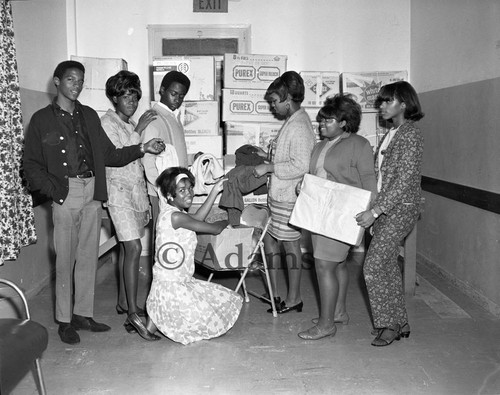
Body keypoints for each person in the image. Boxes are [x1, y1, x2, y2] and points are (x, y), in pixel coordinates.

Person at [23, 60, 165, 345]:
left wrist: (141, 148)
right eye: (71, 80)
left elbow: (110, 155)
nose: (76, 85)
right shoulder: (41, 119)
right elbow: (31, 165)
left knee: (88, 256)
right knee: (66, 259)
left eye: (80, 80)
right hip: (65, 192)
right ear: (57, 81)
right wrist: (56, 191)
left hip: (92, 190)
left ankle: (82, 314)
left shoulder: (88, 115)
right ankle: (64, 320)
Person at [297, 94, 377, 340]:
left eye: (328, 120)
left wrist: (371, 212)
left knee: (324, 266)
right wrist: (304, 186)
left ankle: (325, 324)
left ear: (344, 122)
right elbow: (317, 175)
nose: (322, 125)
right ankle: (339, 312)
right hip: (318, 213)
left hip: (342, 215)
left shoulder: (360, 144)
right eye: (321, 120)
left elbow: (370, 183)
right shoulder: (321, 145)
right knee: (339, 264)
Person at [355, 81, 424, 347]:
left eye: (387, 101)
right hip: (387, 207)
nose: (381, 106)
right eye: (381, 101)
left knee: (372, 267)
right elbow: (383, 177)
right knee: (387, 265)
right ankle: (401, 321)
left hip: (401, 208)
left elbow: (404, 180)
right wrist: (375, 207)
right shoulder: (393, 132)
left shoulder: (410, 134)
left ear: (403, 104)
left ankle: (389, 324)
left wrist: (375, 211)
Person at [145, 167, 243, 345]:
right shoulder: (175, 217)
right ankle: (153, 322)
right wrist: (230, 218)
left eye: (190, 188)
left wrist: (214, 191)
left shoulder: (174, 213)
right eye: (181, 191)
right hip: (172, 285)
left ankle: (151, 323)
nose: (189, 193)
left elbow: (198, 217)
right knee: (217, 313)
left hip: (171, 281)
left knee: (220, 301)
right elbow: (213, 228)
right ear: (169, 196)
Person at [253, 71, 316, 314]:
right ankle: (277, 293)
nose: (273, 107)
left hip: (289, 198)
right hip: (280, 196)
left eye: (275, 102)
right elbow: (288, 157)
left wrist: (270, 166)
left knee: (291, 248)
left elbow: (301, 165)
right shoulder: (293, 121)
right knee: (272, 242)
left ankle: (294, 298)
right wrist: (267, 157)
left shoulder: (299, 125)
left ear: (288, 99)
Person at [101, 70, 158, 336]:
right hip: (117, 194)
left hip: (135, 194)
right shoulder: (108, 122)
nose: (132, 101)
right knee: (134, 248)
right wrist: (140, 134)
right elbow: (116, 156)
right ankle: (133, 314)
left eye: (134, 96)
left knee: (127, 250)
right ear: (114, 97)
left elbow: (136, 161)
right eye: (126, 96)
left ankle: (125, 303)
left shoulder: (128, 122)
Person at [142, 71, 191, 229]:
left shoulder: (172, 117)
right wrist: (163, 189)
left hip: (176, 190)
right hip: (162, 192)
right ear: (162, 90)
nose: (177, 100)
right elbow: (147, 160)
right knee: (162, 235)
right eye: (173, 93)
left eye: (181, 96)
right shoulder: (153, 118)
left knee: (174, 237)